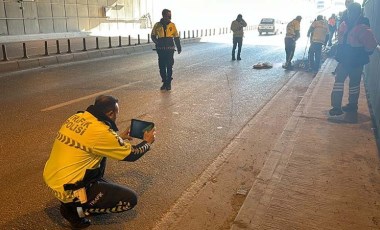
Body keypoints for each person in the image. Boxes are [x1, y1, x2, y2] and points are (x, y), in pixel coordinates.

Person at [43, 95, 156, 228]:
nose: (116, 117)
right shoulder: (101, 132)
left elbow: (91, 142)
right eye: (116, 114)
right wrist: (147, 143)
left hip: (53, 178)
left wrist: (119, 138)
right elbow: (131, 155)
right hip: (71, 188)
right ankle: (76, 211)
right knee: (130, 199)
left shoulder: (77, 118)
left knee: (100, 158)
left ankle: (74, 203)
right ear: (110, 113)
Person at [329, 2, 377, 116]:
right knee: (339, 81)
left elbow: (371, 45)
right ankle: (336, 107)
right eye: (349, 11)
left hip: (356, 61)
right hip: (346, 59)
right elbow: (341, 40)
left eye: (353, 11)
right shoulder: (345, 24)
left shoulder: (363, 27)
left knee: (353, 84)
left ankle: (351, 105)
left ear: (359, 12)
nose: (351, 14)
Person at [151, 9, 181, 91]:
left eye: (170, 15)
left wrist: (179, 47)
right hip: (161, 50)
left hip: (170, 49)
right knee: (162, 66)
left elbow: (176, 37)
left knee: (169, 66)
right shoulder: (157, 25)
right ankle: (164, 81)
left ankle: (168, 83)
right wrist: (157, 42)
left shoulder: (172, 25)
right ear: (164, 15)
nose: (170, 17)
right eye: (168, 15)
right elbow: (153, 36)